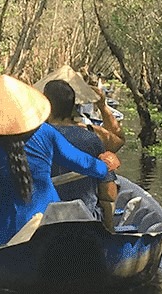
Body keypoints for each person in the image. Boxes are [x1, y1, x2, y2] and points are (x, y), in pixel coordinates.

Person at [0, 75, 120, 247]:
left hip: (7, 230)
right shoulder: (45, 133)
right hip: (52, 222)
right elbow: (83, 163)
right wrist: (105, 165)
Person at [43, 80, 118, 224]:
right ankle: (108, 235)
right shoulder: (91, 139)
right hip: (86, 220)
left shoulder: (33, 139)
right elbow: (109, 194)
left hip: (44, 220)